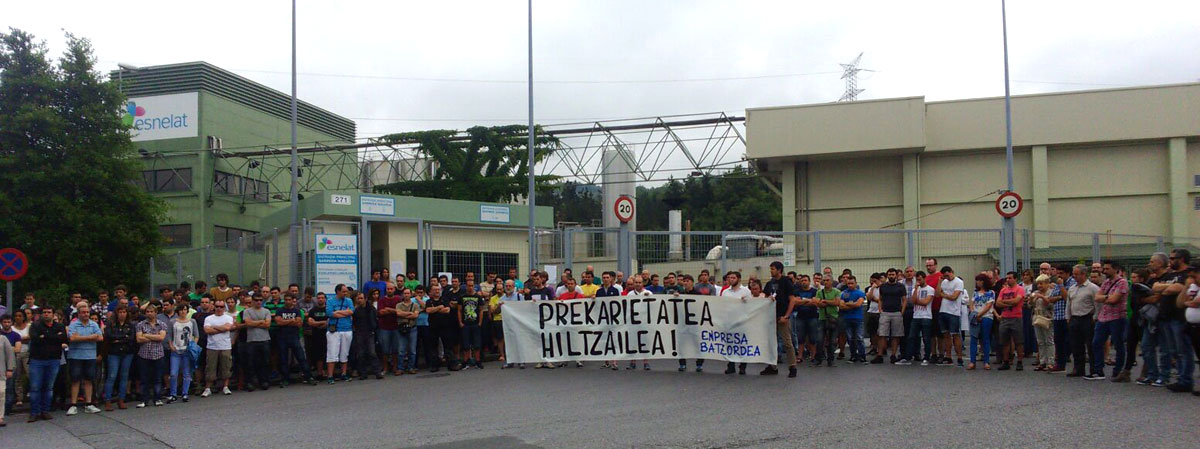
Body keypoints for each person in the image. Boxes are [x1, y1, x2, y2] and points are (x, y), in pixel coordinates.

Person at [27, 306, 66, 422]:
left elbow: (63, 339)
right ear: (41, 314)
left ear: (53, 314)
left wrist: (45, 336)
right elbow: (35, 339)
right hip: (37, 360)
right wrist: (54, 337)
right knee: (35, 387)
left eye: (49, 312)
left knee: (49, 387)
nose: (46, 314)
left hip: (54, 360)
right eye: (44, 312)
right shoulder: (35, 326)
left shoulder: (60, 326)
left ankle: (45, 410)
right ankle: (34, 412)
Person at [65, 301, 104, 415]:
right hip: (75, 356)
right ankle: (73, 405)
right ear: (78, 314)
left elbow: (100, 338)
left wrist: (80, 337)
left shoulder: (94, 324)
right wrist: (91, 337)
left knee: (89, 380)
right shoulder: (73, 325)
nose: (86, 314)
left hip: (90, 356)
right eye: (83, 312)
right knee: (75, 380)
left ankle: (89, 404)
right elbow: (72, 338)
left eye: (87, 312)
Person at [1092, 260, 1128, 381]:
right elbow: (1097, 297)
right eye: (1104, 269)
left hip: (1117, 317)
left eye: (1107, 269)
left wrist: (1104, 298)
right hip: (1103, 317)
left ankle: (1118, 370)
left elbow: (1115, 300)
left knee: (1118, 344)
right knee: (1096, 343)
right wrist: (1107, 297)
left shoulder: (1122, 282)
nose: (1104, 271)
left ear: (1115, 269)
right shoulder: (1106, 282)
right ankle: (1098, 370)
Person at [763, 262, 798, 377]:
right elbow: (764, 298)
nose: (771, 271)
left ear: (779, 270)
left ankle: (792, 366)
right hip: (771, 316)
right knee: (771, 342)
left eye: (773, 269)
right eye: (770, 269)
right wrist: (768, 298)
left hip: (782, 316)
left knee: (787, 342)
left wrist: (786, 316)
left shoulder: (786, 282)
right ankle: (772, 366)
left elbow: (792, 300)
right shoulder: (769, 283)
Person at [1066, 265, 1099, 378]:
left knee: (1090, 345)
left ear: (1084, 274)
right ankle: (1078, 368)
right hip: (1075, 318)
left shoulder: (1092, 288)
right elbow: (1069, 304)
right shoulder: (1072, 288)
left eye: (1076, 274)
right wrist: (1068, 317)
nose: (1074, 276)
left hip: (1087, 318)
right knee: (1076, 345)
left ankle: (1094, 369)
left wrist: (1095, 317)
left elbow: (1097, 304)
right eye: (1073, 274)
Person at [274, 293, 312, 385]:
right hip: (282, 337)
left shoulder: (297, 311)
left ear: (292, 300)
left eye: (289, 300)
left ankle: (308, 377)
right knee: (284, 359)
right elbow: (278, 322)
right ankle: (285, 379)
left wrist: (285, 321)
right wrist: (292, 320)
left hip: (294, 337)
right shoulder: (279, 310)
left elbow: (299, 323)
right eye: (286, 300)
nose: (287, 301)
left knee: (301, 357)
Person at [899, 271, 935, 366]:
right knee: (911, 337)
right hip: (916, 316)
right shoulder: (915, 289)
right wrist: (915, 289)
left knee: (926, 338)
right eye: (917, 280)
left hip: (926, 316)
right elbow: (912, 300)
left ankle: (926, 357)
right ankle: (908, 356)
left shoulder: (930, 289)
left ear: (924, 278)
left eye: (920, 279)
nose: (918, 281)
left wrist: (917, 301)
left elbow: (926, 302)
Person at [134, 304, 166, 408]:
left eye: (151, 311)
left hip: (158, 354)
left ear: (156, 313)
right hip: (144, 355)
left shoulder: (161, 324)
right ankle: (144, 400)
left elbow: (161, 338)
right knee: (144, 379)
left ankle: (157, 398)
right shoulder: (140, 324)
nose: (149, 313)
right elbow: (139, 339)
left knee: (157, 378)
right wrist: (154, 336)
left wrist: (146, 335)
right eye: (147, 312)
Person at [202, 299, 236, 397]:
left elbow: (227, 328)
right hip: (212, 346)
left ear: (224, 308)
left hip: (225, 346)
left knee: (226, 366)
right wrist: (221, 328)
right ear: (214, 307)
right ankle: (208, 388)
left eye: (221, 307)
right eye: (217, 306)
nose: (219, 308)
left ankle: (225, 386)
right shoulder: (209, 318)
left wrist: (214, 327)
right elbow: (207, 330)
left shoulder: (228, 317)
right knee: (210, 367)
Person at [165, 304, 198, 403]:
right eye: (181, 310)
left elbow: (196, 335)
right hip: (176, 350)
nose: (183, 312)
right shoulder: (173, 322)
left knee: (186, 373)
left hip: (187, 350)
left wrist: (193, 345)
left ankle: (185, 393)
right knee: (173, 373)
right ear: (178, 311)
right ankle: (173, 393)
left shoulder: (192, 321)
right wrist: (171, 345)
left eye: (185, 310)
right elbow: (169, 335)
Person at [874, 269, 907, 364]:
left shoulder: (901, 286)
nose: (891, 276)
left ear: (896, 275)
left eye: (893, 274)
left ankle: (893, 355)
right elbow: (880, 299)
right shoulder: (883, 286)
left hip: (897, 313)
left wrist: (902, 312)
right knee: (882, 334)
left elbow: (904, 299)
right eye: (889, 274)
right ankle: (880, 355)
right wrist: (880, 309)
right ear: (887, 276)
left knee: (896, 335)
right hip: (885, 313)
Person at [425, 284, 460, 372]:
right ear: (431, 291)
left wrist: (435, 309)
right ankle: (434, 366)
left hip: (445, 326)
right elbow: (428, 310)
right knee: (433, 347)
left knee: (448, 346)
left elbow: (447, 310)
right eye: (435, 290)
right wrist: (439, 307)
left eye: (438, 289)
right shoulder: (429, 301)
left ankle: (451, 365)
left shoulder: (445, 299)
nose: (437, 291)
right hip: (433, 327)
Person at [936, 266, 966, 367]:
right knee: (946, 335)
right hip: (943, 310)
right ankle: (948, 356)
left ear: (952, 272)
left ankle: (959, 357)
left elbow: (954, 297)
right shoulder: (944, 282)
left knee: (955, 335)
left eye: (947, 275)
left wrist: (944, 295)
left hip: (954, 312)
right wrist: (940, 282)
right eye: (945, 276)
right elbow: (937, 294)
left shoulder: (958, 282)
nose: (947, 278)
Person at [326, 284, 356, 383]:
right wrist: (344, 312)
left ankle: (344, 373)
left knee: (345, 353)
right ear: (338, 291)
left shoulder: (349, 301)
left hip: (347, 329)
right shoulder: (330, 301)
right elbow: (330, 313)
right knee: (332, 353)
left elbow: (351, 312)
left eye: (346, 291)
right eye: (343, 291)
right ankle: (330, 376)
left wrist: (338, 312)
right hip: (334, 330)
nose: (345, 293)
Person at [994, 272, 1024, 371]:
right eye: (1007, 278)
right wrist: (1009, 303)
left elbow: (1016, 301)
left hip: (1016, 317)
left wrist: (1004, 302)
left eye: (1010, 278)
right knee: (1004, 341)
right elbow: (997, 303)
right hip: (1005, 317)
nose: (1008, 280)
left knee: (1018, 341)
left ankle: (1020, 362)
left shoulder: (1020, 289)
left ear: (1015, 279)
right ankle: (1006, 361)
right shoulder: (1003, 290)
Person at [350, 291, 381, 380]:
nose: (360, 300)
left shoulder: (371, 309)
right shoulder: (356, 310)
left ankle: (377, 372)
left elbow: (375, 320)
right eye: (358, 299)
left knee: (372, 352)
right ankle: (363, 373)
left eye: (361, 298)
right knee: (360, 354)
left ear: (365, 299)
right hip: (359, 333)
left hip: (370, 333)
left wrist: (374, 330)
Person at [1028, 275, 1055, 371]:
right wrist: (1031, 299)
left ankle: (1050, 362)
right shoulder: (1035, 293)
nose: (1039, 286)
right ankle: (1042, 361)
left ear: (1047, 283)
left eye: (1041, 283)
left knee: (1049, 340)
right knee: (1040, 341)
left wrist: (1042, 297)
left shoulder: (1051, 292)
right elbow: (1030, 305)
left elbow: (1050, 304)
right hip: (1037, 317)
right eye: (1038, 284)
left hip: (1047, 318)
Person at [837, 275, 865, 366]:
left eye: (852, 283)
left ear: (855, 283)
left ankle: (862, 356)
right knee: (850, 338)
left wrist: (847, 304)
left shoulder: (860, 293)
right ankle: (853, 355)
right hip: (847, 318)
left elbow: (858, 304)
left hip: (858, 318)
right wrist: (852, 304)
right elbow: (841, 305)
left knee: (859, 338)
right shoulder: (844, 293)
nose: (850, 285)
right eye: (848, 283)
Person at [814, 275, 841, 368]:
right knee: (819, 340)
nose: (825, 282)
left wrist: (824, 301)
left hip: (833, 318)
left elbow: (837, 303)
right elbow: (817, 303)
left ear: (832, 281)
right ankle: (819, 359)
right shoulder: (819, 292)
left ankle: (831, 360)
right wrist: (830, 302)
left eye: (827, 280)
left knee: (832, 341)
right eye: (824, 280)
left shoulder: (836, 291)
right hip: (822, 318)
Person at [493, 281, 520, 369]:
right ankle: (510, 361)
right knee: (508, 343)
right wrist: (499, 306)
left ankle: (521, 361)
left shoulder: (519, 296)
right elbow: (496, 312)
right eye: (507, 286)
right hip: (507, 323)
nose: (508, 287)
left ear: (513, 287)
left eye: (510, 286)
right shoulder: (502, 298)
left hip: (517, 323)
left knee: (518, 341)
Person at [459, 281, 485, 369]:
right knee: (466, 344)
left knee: (477, 344)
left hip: (475, 324)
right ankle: (465, 361)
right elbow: (459, 310)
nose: (470, 287)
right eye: (469, 286)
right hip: (465, 324)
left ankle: (478, 361)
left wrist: (480, 322)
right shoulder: (462, 297)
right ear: (466, 286)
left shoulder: (478, 297)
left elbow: (481, 310)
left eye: (472, 286)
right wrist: (460, 322)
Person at [377, 285, 402, 376]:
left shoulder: (398, 299)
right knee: (385, 349)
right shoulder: (381, 300)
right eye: (388, 289)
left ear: (394, 289)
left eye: (391, 289)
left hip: (396, 326)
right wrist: (394, 311)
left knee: (395, 349)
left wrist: (388, 309)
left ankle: (395, 367)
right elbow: (381, 312)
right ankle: (385, 368)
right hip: (384, 327)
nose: (390, 290)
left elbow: (400, 311)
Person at [305, 293, 329, 380]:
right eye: (319, 298)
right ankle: (319, 373)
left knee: (328, 354)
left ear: (325, 299)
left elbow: (329, 322)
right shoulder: (313, 310)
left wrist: (317, 323)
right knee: (318, 355)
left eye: (322, 298)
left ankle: (328, 372)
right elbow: (310, 322)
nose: (320, 299)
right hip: (316, 336)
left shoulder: (328, 309)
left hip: (328, 335)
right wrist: (323, 322)